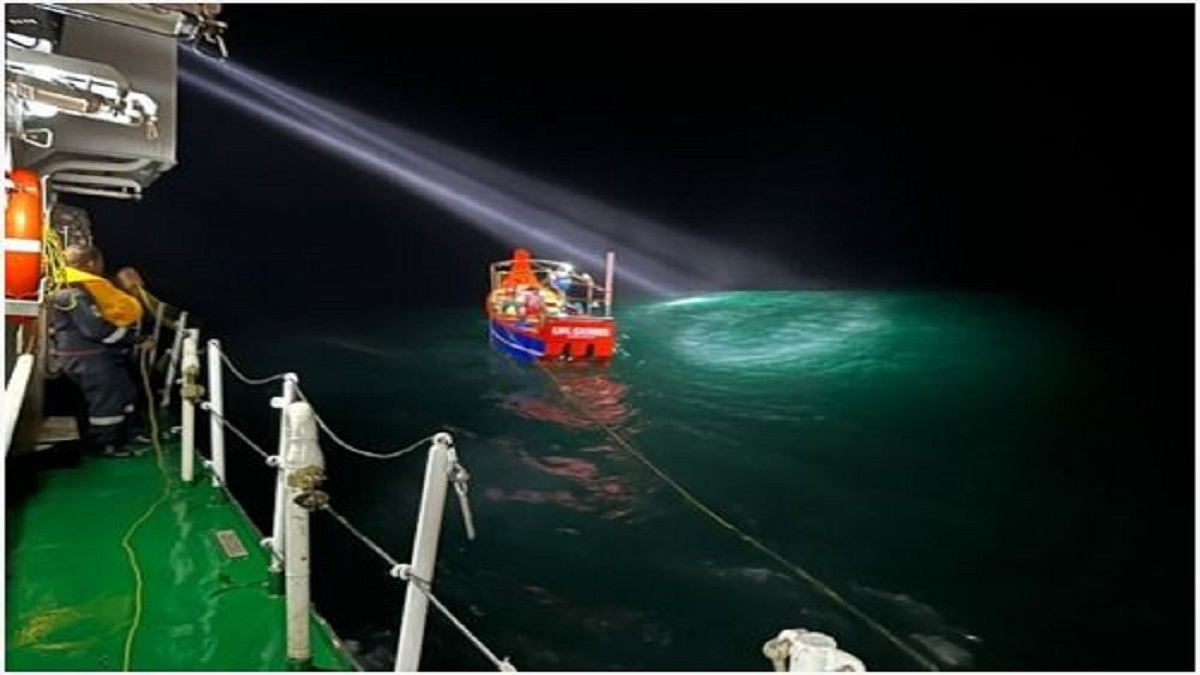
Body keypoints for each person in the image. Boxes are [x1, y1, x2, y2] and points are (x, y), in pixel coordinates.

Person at [51, 245, 151, 458]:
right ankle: (104, 445)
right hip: (86, 356)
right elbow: (96, 329)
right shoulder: (73, 294)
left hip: (97, 354)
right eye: (100, 262)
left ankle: (129, 433)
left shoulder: (82, 289)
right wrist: (135, 340)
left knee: (125, 391)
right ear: (90, 264)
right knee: (106, 400)